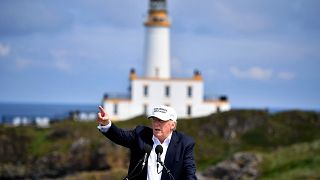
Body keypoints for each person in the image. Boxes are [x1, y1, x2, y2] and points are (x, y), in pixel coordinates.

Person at [97, 105, 197, 180]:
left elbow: (189, 173)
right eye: (154, 120)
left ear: (173, 125)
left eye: (161, 121)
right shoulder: (141, 134)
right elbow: (119, 136)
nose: (156, 124)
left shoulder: (185, 143)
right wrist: (106, 124)